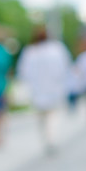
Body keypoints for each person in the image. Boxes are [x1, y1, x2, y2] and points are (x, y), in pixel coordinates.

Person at [16, 25, 73, 155]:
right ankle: (51, 139)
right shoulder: (57, 49)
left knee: (41, 118)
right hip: (54, 89)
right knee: (53, 117)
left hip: (37, 91)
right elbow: (66, 67)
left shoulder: (30, 51)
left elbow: (23, 72)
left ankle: (46, 139)